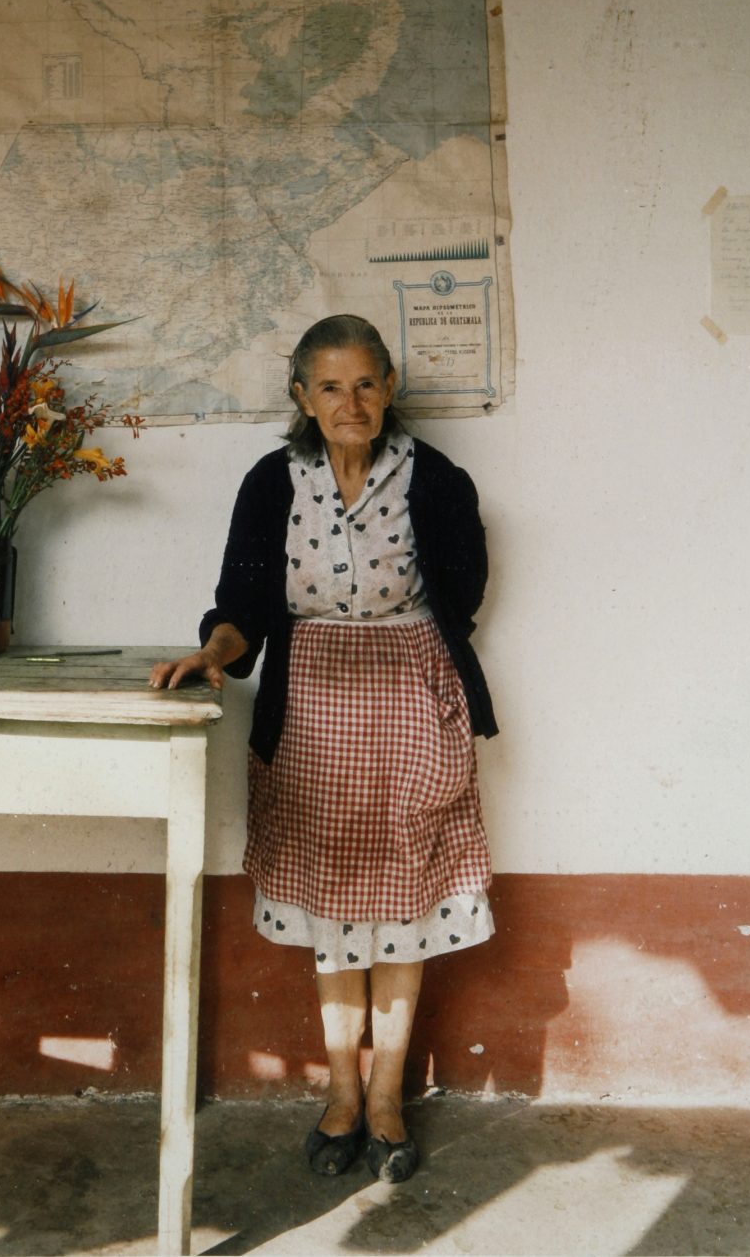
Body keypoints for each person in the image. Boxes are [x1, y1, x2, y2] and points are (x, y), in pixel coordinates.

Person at [150, 314, 496, 1183]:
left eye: (367, 382)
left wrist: (408, 658)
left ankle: (386, 1098)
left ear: (390, 388)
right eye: (332, 386)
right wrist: (213, 653)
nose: (352, 402)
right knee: (336, 907)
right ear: (302, 396)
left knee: (406, 906)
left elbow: (461, 596)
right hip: (311, 709)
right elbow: (242, 603)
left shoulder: (437, 479)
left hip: (410, 701)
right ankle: (342, 1093)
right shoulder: (272, 482)